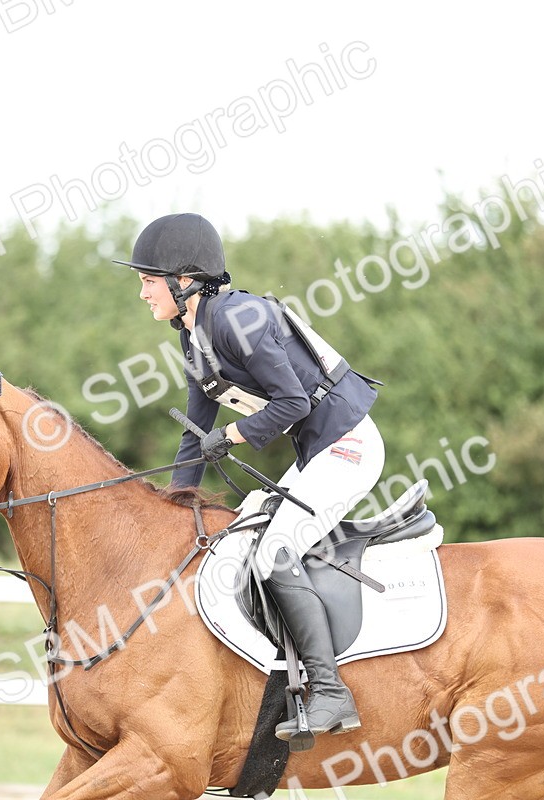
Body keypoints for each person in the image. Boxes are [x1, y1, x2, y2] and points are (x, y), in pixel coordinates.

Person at [115, 212, 386, 741]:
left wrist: (234, 437)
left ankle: (331, 692)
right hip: (321, 450)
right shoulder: (194, 336)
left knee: (274, 550)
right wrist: (171, 506)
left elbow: (294, 400)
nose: (143, 293)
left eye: (148, 282)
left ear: (184, 281)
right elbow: (196, 434)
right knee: (246, 529)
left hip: (349, 445)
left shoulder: (240, 319)